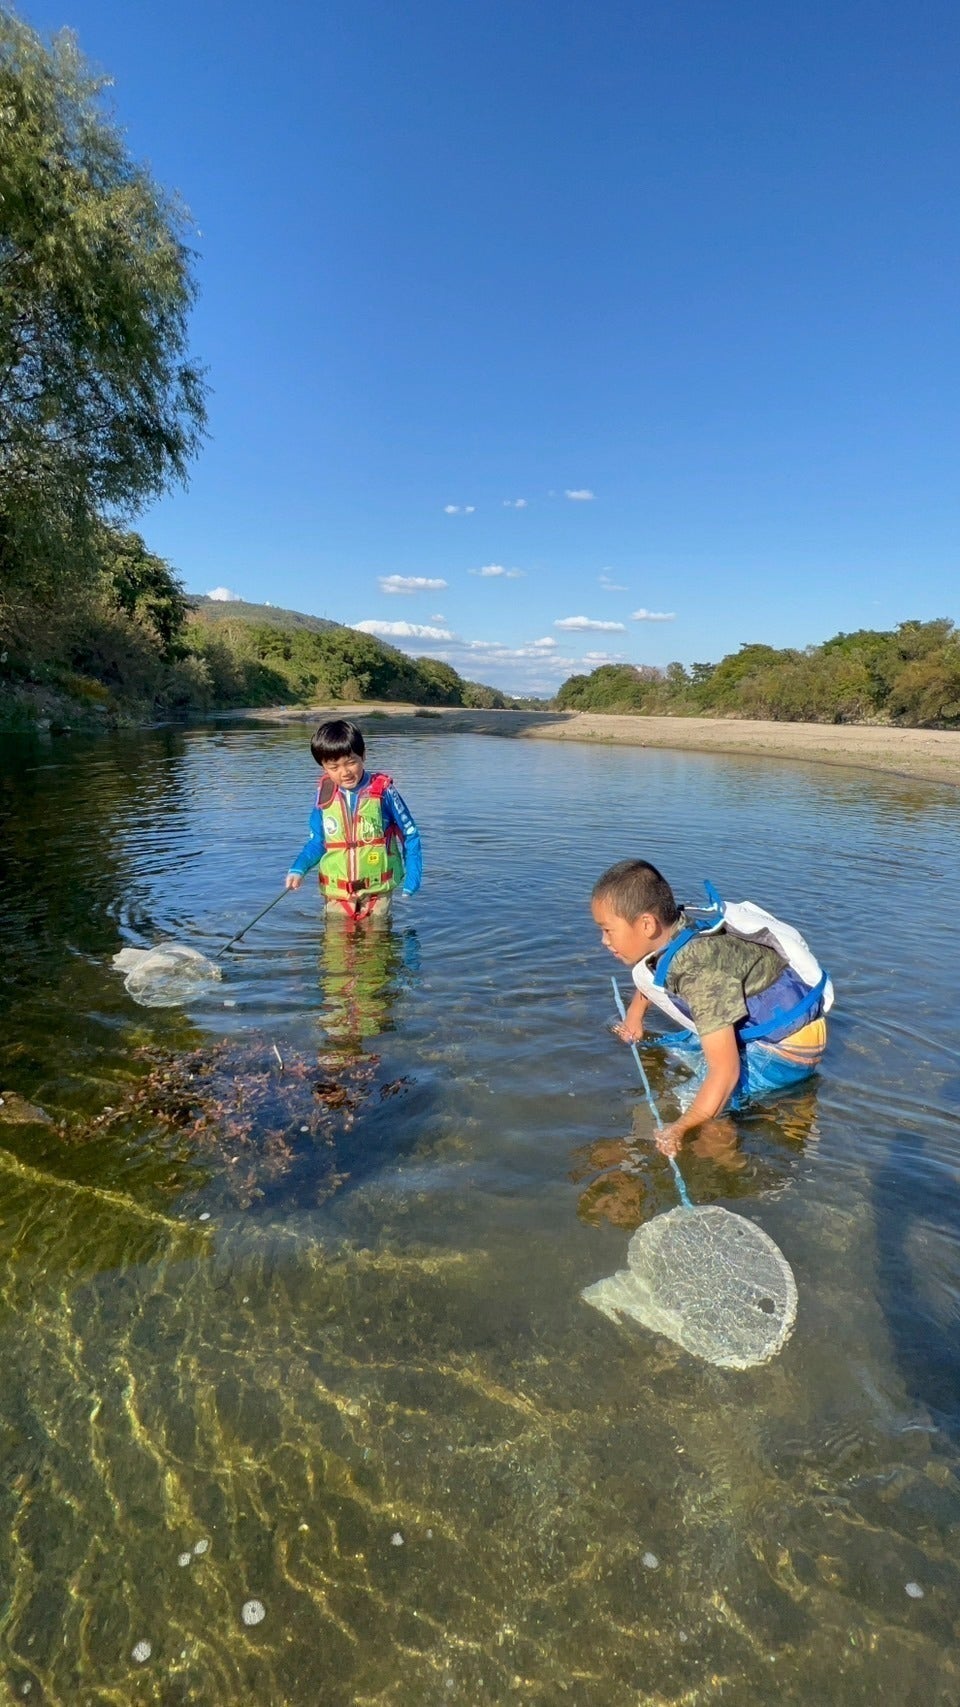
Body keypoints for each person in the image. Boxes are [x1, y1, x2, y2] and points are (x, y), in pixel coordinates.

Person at [591, 859, 830, 1157]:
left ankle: (724, 1167)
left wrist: (680, 1127)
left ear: (647, 924)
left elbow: (725, 1072)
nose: (604, 941)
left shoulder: (698, 975)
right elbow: (653, 972)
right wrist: (634, 1018)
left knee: (697, 1108)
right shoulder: (681, 928)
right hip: (784, 1022)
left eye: (607, 930)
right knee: (677, 1049)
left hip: (784, 1053)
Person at [285, 719, 422, 920]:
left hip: (377, 893)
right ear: (323, 766)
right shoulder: (324, 796)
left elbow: (410, 834)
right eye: (334, 767)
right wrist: (299, 869)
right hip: (336, 895)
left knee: (378, 948)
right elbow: (318, 842)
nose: (345, 772)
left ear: (363, 755)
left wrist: (412, 878)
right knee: (334, 948)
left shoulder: (385, 792)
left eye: (351, 762)